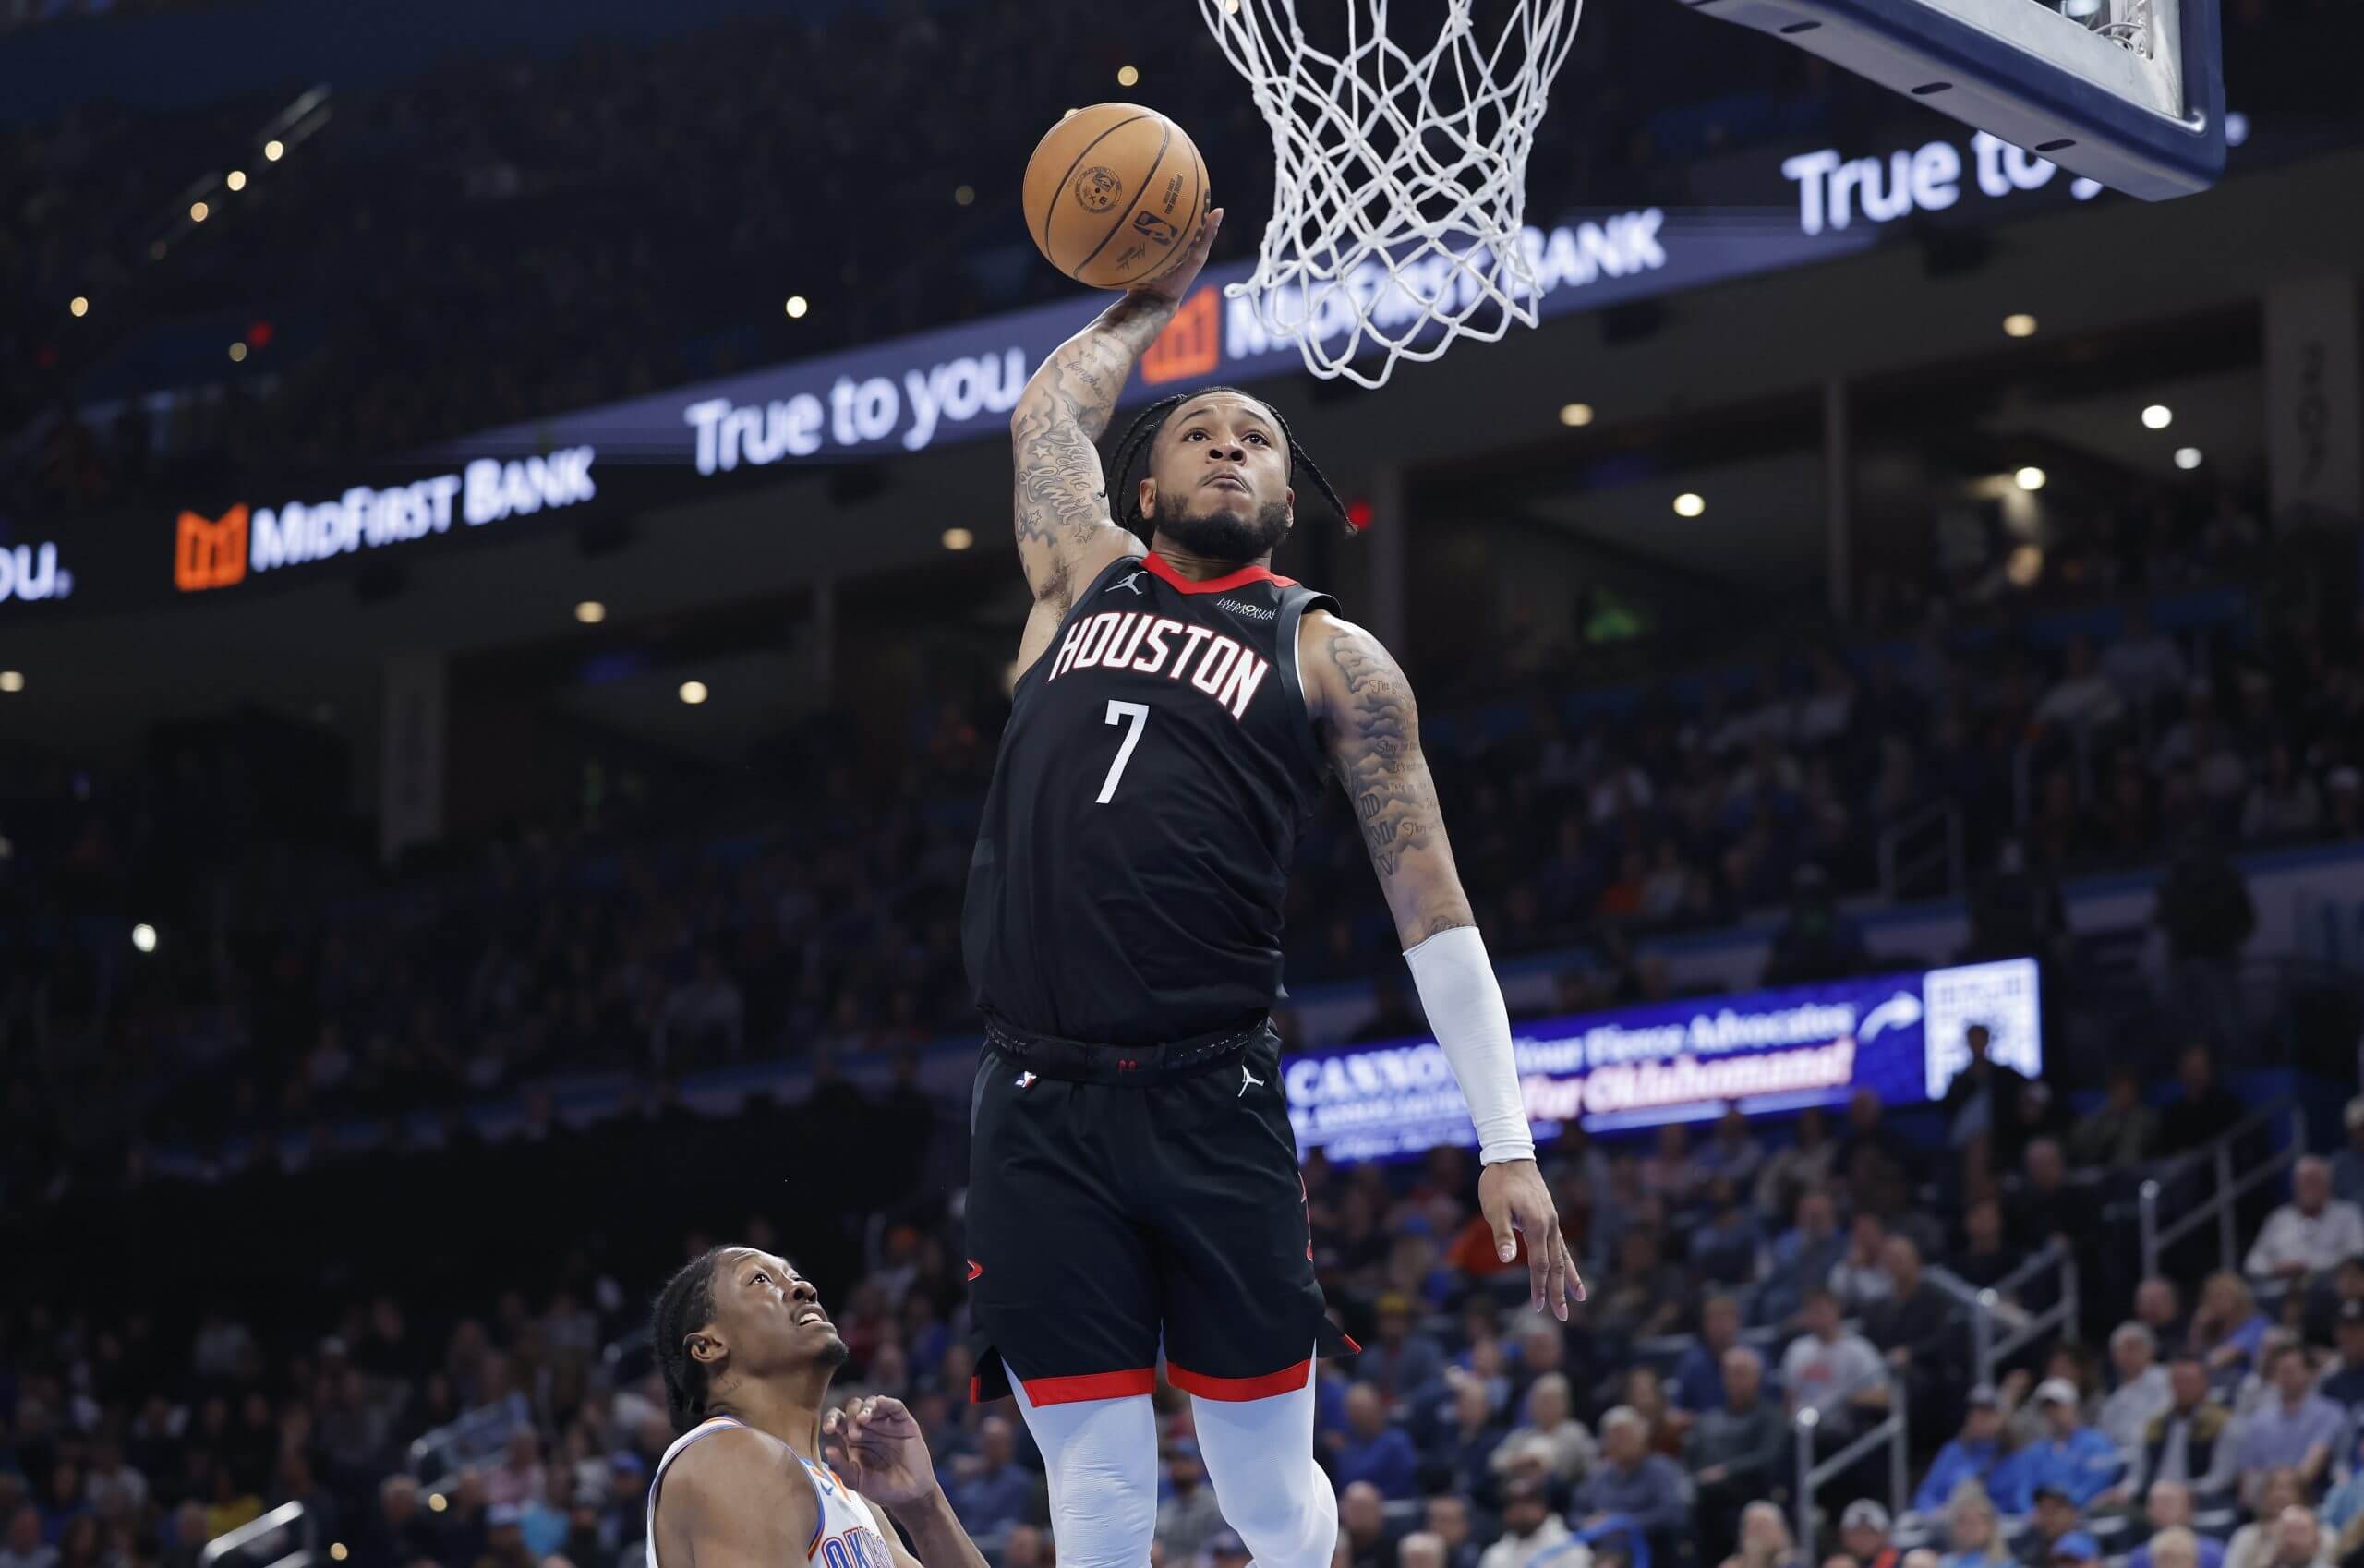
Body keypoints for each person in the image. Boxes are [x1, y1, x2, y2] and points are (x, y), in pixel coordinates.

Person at [963, 205, 1573, 1568]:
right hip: (1037, 1101)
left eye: (1257, 440)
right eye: (1199, 432)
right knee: (1098, 1495)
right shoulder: (1078, 578)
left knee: (1266, 1497)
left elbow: (1434, 909)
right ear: (1143, 490)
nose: (1230, 445)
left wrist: (1508, 1141)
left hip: (1209, 1097)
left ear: (1289, 502)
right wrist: (1145, 304)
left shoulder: (1331, 657)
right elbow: (1046, 417)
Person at [644, 1248, 992, 1568]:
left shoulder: (854, 1500)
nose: (804, 1288)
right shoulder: (726, 1457)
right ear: (708, 1346)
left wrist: (925, 1507)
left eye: (795, 1277)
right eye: (760, 1279)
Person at [1684, 1347, 1785, 1565]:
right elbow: (1691, 1461)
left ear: (1757, 1377)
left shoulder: (1770, 1415)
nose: (1735, 1380)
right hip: (1708, 1507)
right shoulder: (1707, 1420)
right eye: (1730, 1373)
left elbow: (1769, 1457)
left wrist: (1726, 1471)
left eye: (1742, 1373)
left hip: (1751, 1498)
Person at [1573, 1409, 1685, 1564]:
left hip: (1652, 1551)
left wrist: (1623, 1524)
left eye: (1626, 1436)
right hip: (1602, 1552)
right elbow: (1574, 1513)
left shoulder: (1661, 1470)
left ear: (1642, 1437)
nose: (1621, 1443)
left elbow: (1673, 1514)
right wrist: (1587, 1523)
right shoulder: (1598, 1477)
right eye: (1614, 1437)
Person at [2234, 1344, 2346, 1500]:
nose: (2285, 1376)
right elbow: (2248, 1474)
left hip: (2309, 1498)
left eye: (2291, 1370)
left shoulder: (2330, 1412)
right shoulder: (2259, 1419)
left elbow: (2311, 1468)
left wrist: (2281, 1495)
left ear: (2310, 1373)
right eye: (2280, 1371)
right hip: (2264, 1501)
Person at [1781, 1287, 1888, 1434]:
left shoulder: (1859, 1349)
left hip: (1842, 1429)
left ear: (1836, 1310)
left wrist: (1849, 1399)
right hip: (1802, 1428)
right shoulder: (1797, 1349)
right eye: (1812, 1312)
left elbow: (1883, 1395)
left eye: (1821, 1311)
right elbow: (1789, 1397)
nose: (1817, 1318)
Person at [2135, 1350, 2237, 1502]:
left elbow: (2220, 1479)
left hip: (2201, 1500)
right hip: (2153, 1498)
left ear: (2205, 1383)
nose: (2182, 1387)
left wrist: (2182, 1492)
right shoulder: (2155, 1423)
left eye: (2189, 1381)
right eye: (2177, 1381)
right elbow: (2137, 1474)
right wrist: (2124, 1491)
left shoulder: (2225, 1423)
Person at [2247, 1159, 2364, 1285]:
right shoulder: (2279, 1218)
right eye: (2303, 1182)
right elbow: (2252, 1263)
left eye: (2313, 1181)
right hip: (2281, 1288)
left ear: (2328, 1184)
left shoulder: (2347, 1215)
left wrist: (2308, 1266)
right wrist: (2274, 1268)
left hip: (2331, 1287)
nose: (2308, 1188)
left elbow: (2357, 1253)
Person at [1915, 1388, 2026, 1515]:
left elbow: (2021, 1503)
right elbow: (1925, 1495)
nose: (1979, 1418)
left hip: (1997, 1522)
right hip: (1949, 1520)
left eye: (1987, 1413)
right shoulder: (1953, 1451)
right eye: (1975, 1413)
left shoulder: (2016, 1457)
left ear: (2002, 1419)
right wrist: (1933, 1512)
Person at [1942, 1024, 2035, 1173]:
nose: (1976, 1044)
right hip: (1969, 1148)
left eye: (1980, 1039)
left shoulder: (2006, 1076)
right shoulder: (1959, 1083)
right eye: (1973, 1040)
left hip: (2005, 1145)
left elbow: (2031, 1093)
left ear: (1987, 1040)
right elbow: (1950, 1117)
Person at [2017, 1380, 2122, 1510]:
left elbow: (2096, 1483)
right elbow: (2024, 1489)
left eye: (2057, 1406)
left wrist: (2060, 1508)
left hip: (2085, 1514)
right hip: (2043, 1517)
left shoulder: (2097, 1443)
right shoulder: (2036, 1451)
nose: (2052, 1413)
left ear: (2074, 1406)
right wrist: (2031, 1512)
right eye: (2047, 1409)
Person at [2099, 1324, 2175, 1471]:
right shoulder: (2114, 1398)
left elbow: (2163, 1421)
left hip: (2155, 1454)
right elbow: (2105, 1435)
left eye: (2134, 1348)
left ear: (2151, 1350)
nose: (2129, 1355)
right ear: (2114, 1356)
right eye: (2123, 1349)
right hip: (2119, 1459)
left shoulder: (2165, 1380)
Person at [1335, 1385, 1421, 1501]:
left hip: (1392, 1505)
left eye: (1365, 1411)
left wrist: (1371, 1497)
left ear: (1378, 1409)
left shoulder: (1396, 1442)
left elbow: (1405, 1482)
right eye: (1355, 1413)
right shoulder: (1343, 1446)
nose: (1362, 1418)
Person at [2068, 1067, 2161, 1170]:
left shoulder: (2145, 1117)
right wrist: (2107, 1115)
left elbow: (2149, 1143)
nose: (2124, 1094)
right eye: (2120, 1089)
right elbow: (2078, 1141)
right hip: (2098, 1169)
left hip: (2134, 1169)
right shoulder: (2099, 1115)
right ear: (2111, 1091)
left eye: (2128, 1090)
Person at [2124, 1483, 2228, 1568]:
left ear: (2188, 1506)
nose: (2160, 1508)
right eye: (2153, 1502)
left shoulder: (2214, 1553)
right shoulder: (2139, 1557)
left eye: (2167, 1501)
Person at [1474, 1482, 1575, 1568]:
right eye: (1513, 1504)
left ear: (1544, 1507)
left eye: (1528, 1502)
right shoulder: (1495, 1556)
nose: (1521, 1510)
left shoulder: (1568, 1546)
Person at [1156, 1442, 1224, 1563]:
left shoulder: (1215, 1504)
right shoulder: (1166, 1508)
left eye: (1184, 1460)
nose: (1178, 1466)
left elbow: (1221, 1547)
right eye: (1173, 1461)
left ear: (1199, 1465)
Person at [1936, 1483, 2010, 1568]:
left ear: (1990, 1524)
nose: (1968, 1528)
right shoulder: (1942, 1563)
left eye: (1974, 1522)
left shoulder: (2005, 1564)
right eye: (1962, 1521)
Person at [1839, 1502, 1898, 1568]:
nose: (1863, 1539)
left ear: (1885, 1534)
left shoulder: (1899, 1562)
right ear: (1844, 1536)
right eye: (1856, 1533)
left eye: (1870, 1533)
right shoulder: (1837, 1564)